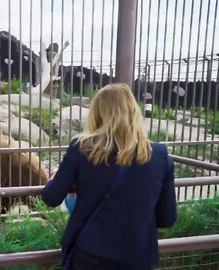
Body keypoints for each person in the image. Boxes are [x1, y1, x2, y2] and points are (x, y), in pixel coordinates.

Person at [42, 83, 177, 270]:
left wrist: (57, 178)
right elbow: (167, 218)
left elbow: (51, 197)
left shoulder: (82, 147)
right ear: (134, 111)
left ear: (97, 113)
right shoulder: (161, 155)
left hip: (90, 255)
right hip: (137, 257)